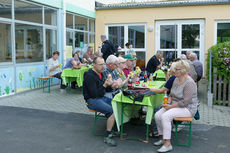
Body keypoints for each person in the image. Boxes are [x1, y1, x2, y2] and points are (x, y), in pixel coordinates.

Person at [154, 60, 199, 152]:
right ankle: (163, 138)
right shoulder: (175, 79)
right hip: (175, 105)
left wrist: (169, 107)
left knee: (165, 116)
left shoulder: (189, 83)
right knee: (157, 115)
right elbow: (171, 95)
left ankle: (168, 144)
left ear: (182, 71)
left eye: (176, 69)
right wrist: (168, 102)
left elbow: (185, 102)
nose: (173, 71)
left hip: (187, 108)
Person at [83, 56, 117, 147]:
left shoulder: (100, 74)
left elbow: (103, 90)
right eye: (100, 64)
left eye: (103, 64)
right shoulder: (89, 75)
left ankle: (112, 128)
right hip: (92, 100)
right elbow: (94, 94)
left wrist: (112, 86)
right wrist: (105, 84)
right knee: (112, 111)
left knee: (117, 106)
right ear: (94, 65)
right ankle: (108, 136)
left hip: (100, 98)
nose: (103, 67)